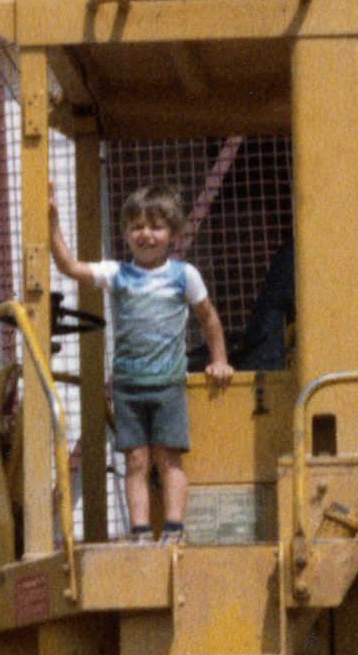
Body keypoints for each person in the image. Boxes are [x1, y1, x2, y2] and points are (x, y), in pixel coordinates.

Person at [49, 186, 233, 543]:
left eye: (156, 227)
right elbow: (69, 267)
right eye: (137, 227)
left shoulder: (184, 275)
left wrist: (220, 359)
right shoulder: (117, 273)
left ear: (172, 234)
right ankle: (141, 532)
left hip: (168, 385)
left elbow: (208, 318)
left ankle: (174, 530)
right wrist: (53, 224)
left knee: (169, 459)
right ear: (125, 233)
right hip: (129, 386)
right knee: (135, 461)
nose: (146, 234)